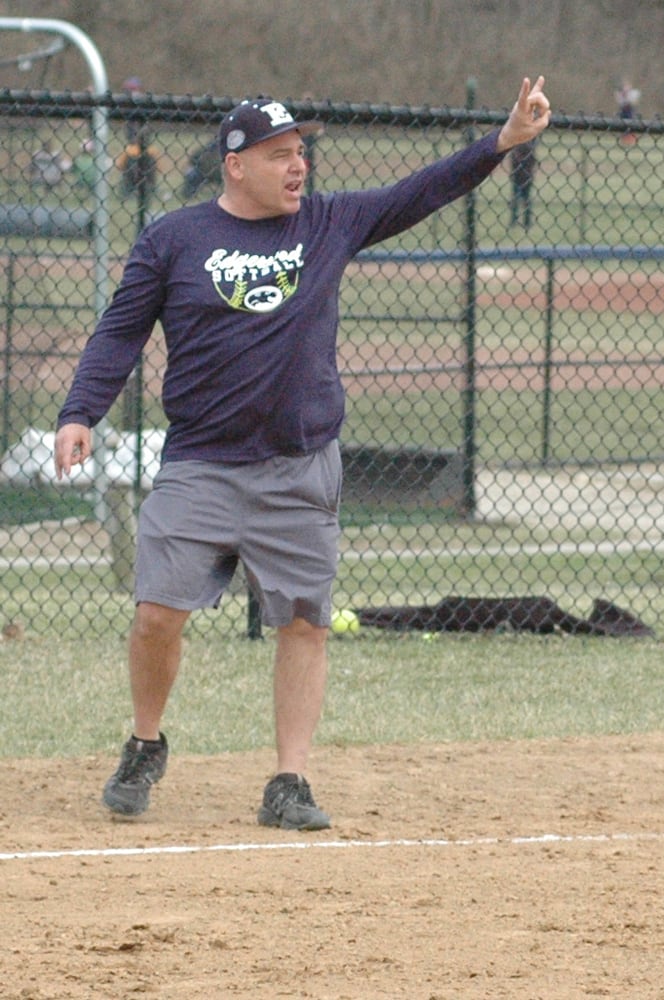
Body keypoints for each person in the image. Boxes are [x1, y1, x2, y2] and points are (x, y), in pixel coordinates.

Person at [54, 77, 553, 831]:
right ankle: (146, 742)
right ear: (236, 165)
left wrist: (503, 142)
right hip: (201, 461)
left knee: (304, 623)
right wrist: (79, 412)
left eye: (301, 153)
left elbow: (419, 192)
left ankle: (289, 780)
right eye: (280, 154)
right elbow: (120, 331)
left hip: (298, 464)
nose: (298, 167)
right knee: (157, 612)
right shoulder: (173, 239)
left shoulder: (327, 223)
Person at [509, 137, 537, 228]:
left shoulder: (527, 149)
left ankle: (525, 222)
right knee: (519, 200)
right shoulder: (521, 149)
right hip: (520, 177)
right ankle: (516, 221)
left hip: (524, 177)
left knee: (524, 200)